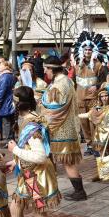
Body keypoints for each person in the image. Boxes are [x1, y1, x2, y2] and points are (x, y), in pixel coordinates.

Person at [0, 86, 65, 217]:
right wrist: (15, 162)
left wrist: (14, 150)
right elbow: (30, 151)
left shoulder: (31, 124)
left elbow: (40, 155)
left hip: (35, 177)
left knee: (40, 210)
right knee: (16, 207)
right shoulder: (28, 118)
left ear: (17, 104)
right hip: (27, 174)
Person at [41, 56, 86, 201]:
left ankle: (79, 192)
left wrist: (41, 118)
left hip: (62, 130)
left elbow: (54, 109)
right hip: (65, 128)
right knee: (66, 161)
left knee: (68, 161)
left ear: (52, 69)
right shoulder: (63, 81)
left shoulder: (60, 85)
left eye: (46, 69)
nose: (44, 71)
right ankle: (76, 191)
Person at [73, 31, 109, 156]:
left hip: (93, 98)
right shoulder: (77, 65)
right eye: (85, 50)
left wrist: (97, 86)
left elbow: (105, 80)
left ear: (92, 51)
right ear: (82, 51)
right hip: (80, 99)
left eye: (89, 50)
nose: (87, 52)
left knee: (94, 122)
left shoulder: (98, 65)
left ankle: (96, 145)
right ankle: (89, 145)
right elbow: (73, 81)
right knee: (84, 124)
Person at [0, 59, 16, 142]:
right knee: (9, 122)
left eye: (1, 64)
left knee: (6, 122)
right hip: (8, 101)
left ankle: (8, 141)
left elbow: (2, 90)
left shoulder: (5, 76)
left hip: (5, 103)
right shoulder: (8, 75)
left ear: (6, 66)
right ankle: (10, 139)